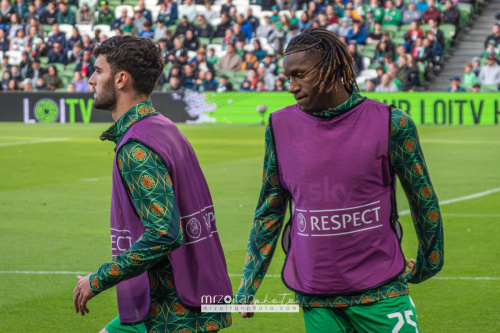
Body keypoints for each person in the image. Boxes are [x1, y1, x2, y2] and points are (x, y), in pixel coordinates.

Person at [236, 27, 443, 333]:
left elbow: (423, 198)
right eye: (288, 77)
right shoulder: (280, 126)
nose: (291, 86)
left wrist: (428, 263)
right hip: (315, 296)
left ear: (330, 69)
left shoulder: (391, 122)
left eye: (300, 75)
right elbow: (270, 207)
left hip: (381, 290)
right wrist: (248, 284)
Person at [72, 35, 232, 333]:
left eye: (98, 70)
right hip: (181, 297)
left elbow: (164, 234)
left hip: (172, 310)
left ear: (121, 79)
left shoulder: (137, 146)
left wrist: (98, 279)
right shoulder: (163, 127)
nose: (92, 79)